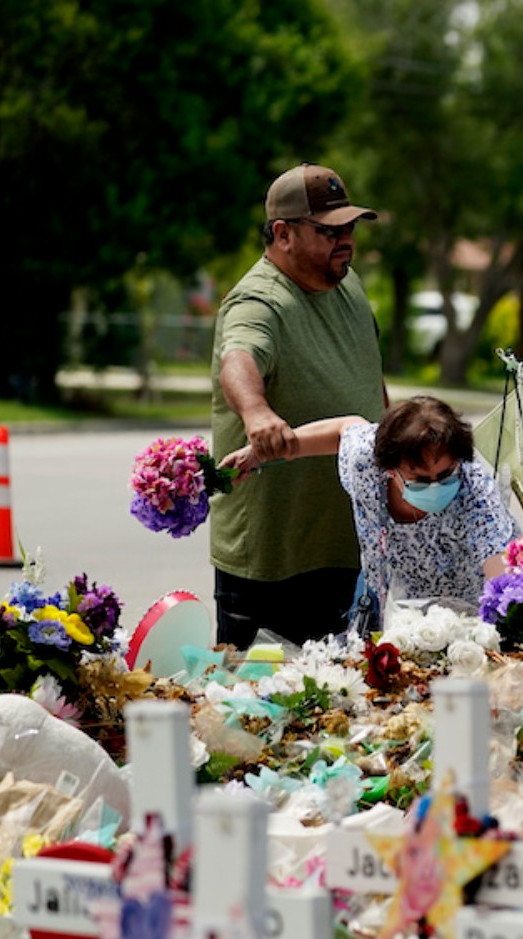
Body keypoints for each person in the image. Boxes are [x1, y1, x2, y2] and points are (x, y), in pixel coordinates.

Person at [208, 163, 387, 648]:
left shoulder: (347, 284)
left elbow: (370, 378)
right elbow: (238, 358)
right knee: (257, 695)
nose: (345, 240)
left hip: (349, 547)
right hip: (274, 562)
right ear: (283, 234)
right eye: (329, 231)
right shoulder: (258, 301)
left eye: (349, 228)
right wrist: (257, 414)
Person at [226, 397, 519, 628]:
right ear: (389, 469)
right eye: (419, 479)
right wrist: (261, 452)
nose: (434, 487)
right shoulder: (366, 460)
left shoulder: (475, 490)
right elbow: (344, 429)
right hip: (385, 592)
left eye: (445, 475)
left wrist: (502, 616)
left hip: (463, 613)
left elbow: (500, 571)